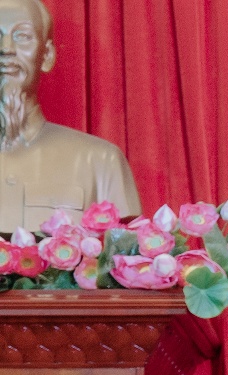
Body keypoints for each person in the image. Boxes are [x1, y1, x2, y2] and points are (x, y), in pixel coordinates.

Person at [0, 0, 141, 231]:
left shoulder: (100, 161)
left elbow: (125, 246)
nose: (6, 49)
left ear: (47, 55)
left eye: (22, 36)